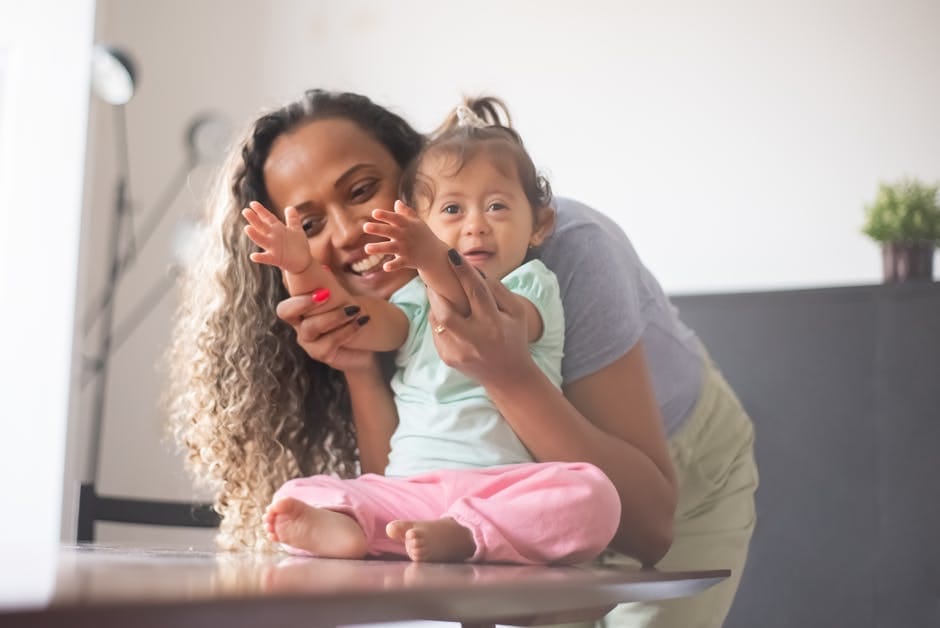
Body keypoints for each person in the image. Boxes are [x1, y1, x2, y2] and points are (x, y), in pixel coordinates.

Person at [168, 89, 757, 627]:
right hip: (505, 494)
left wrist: (504, 371)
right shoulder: (395, 306)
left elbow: (650, 527)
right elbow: (407, 480)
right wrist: (356, 364)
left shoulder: (556, 251)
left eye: (360, 190)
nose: (346, 234)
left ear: (412, 184)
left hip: (673, 468)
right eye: (313, 223)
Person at [240, 101, 620, 564]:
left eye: (496, 207)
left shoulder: (531, 286)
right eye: (454, 210)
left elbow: (475, 310)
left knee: (593, 495)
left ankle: (468, 534)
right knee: (301, 491)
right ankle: (349, 529)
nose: (475, 225)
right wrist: (299, 267)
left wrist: (429, 256)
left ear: (539, 224)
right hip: (412, 490)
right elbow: (346, 315)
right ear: (426, 218)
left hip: (504, 489)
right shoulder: (411, 300)